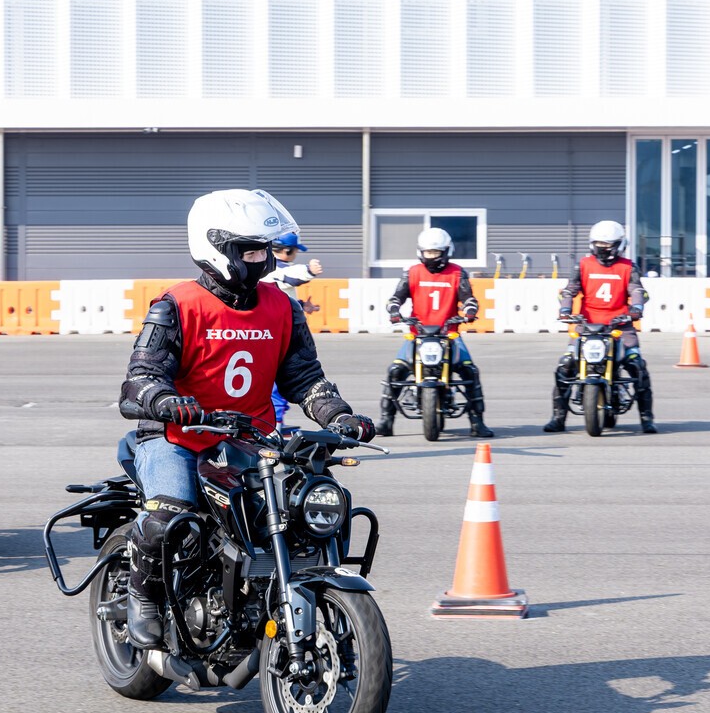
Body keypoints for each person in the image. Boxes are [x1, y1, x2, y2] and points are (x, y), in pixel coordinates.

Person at [117, 189, 374, 650]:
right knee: (170, 512)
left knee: (307, 503)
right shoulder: (176, 305)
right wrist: (167, 400)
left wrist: (339, 417)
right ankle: (145, 596)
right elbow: (141, 378)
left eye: (265, 250)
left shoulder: (282, 306)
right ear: (218, 247)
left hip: (252, 439)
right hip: (176, 437)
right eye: (251, 250)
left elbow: (304, 378)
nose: (262, 261)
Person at [374, 227, 492, 438]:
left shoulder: (457, 272)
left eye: (436, 253)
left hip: (450, 335)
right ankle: (386, 421)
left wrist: (471, 310)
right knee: (395, 371)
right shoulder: (412, 272)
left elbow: (468, 298)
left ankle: (477, 422)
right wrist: (394, 310)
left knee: (470, 372)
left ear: (446, 251)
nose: (432, 257)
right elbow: (396, 298)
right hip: (416, 335)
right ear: (421, 252)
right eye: (428, 253)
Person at [542, 220, 656, 434]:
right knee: (565, 366)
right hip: (587, 326)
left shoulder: (629, 267)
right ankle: (558, 418)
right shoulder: (583, 264)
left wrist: (636, 308)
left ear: (620, 244)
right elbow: (570, 290)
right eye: (599, 244)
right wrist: (565, 310)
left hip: (620, 326)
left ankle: (646, 418)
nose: (603, 249)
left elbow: (637, 290)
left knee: (637, 366)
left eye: (608, 245)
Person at [261, 231, 324, 434]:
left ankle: (276, 423)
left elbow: (280, 294)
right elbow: (290, 276)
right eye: (295, 250)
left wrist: (302, 305)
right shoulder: (275, 269)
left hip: (269, 332)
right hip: (279, 334)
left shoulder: (264, 269)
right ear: (287, 251)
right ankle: (275, 428)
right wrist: (309, 270)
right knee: (280, 381)